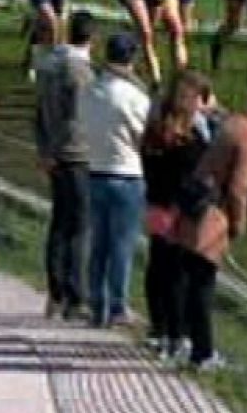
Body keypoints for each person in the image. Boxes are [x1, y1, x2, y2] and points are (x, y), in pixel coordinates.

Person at [170, 88, 247, 370]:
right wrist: (238, 223)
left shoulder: (234, 123)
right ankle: (203, 353)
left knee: (189, 279)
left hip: (193, 202)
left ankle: (183, 339)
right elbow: (239, 188)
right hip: (211, 213)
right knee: (203, 283)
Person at [79, 31, 152, 328]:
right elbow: (143, 137)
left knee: (98, 243)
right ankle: (118, 305)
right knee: (121, 244)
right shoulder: (134, 97)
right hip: (127, 173)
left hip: (95, 170)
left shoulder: (90, 91)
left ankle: (96, 303)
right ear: (131, 59)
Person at [142, 70, 215, 363]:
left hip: (156, 204)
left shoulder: (157, 130)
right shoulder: (191, 138)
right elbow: (198, 174)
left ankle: (159, 329)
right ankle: (177, 334)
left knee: (158, 267)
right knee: (178, 274)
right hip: (179, 210)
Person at [35, 9, 97, 321]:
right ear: (92, 38)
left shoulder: (48, 62)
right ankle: (76, 295)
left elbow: (39, 110)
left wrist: (43, 147)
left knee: (59, 223)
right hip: (76, 152)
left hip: (53, 149)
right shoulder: (79, 69)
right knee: (79, 225)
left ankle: (55, 291)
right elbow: (83, 112)